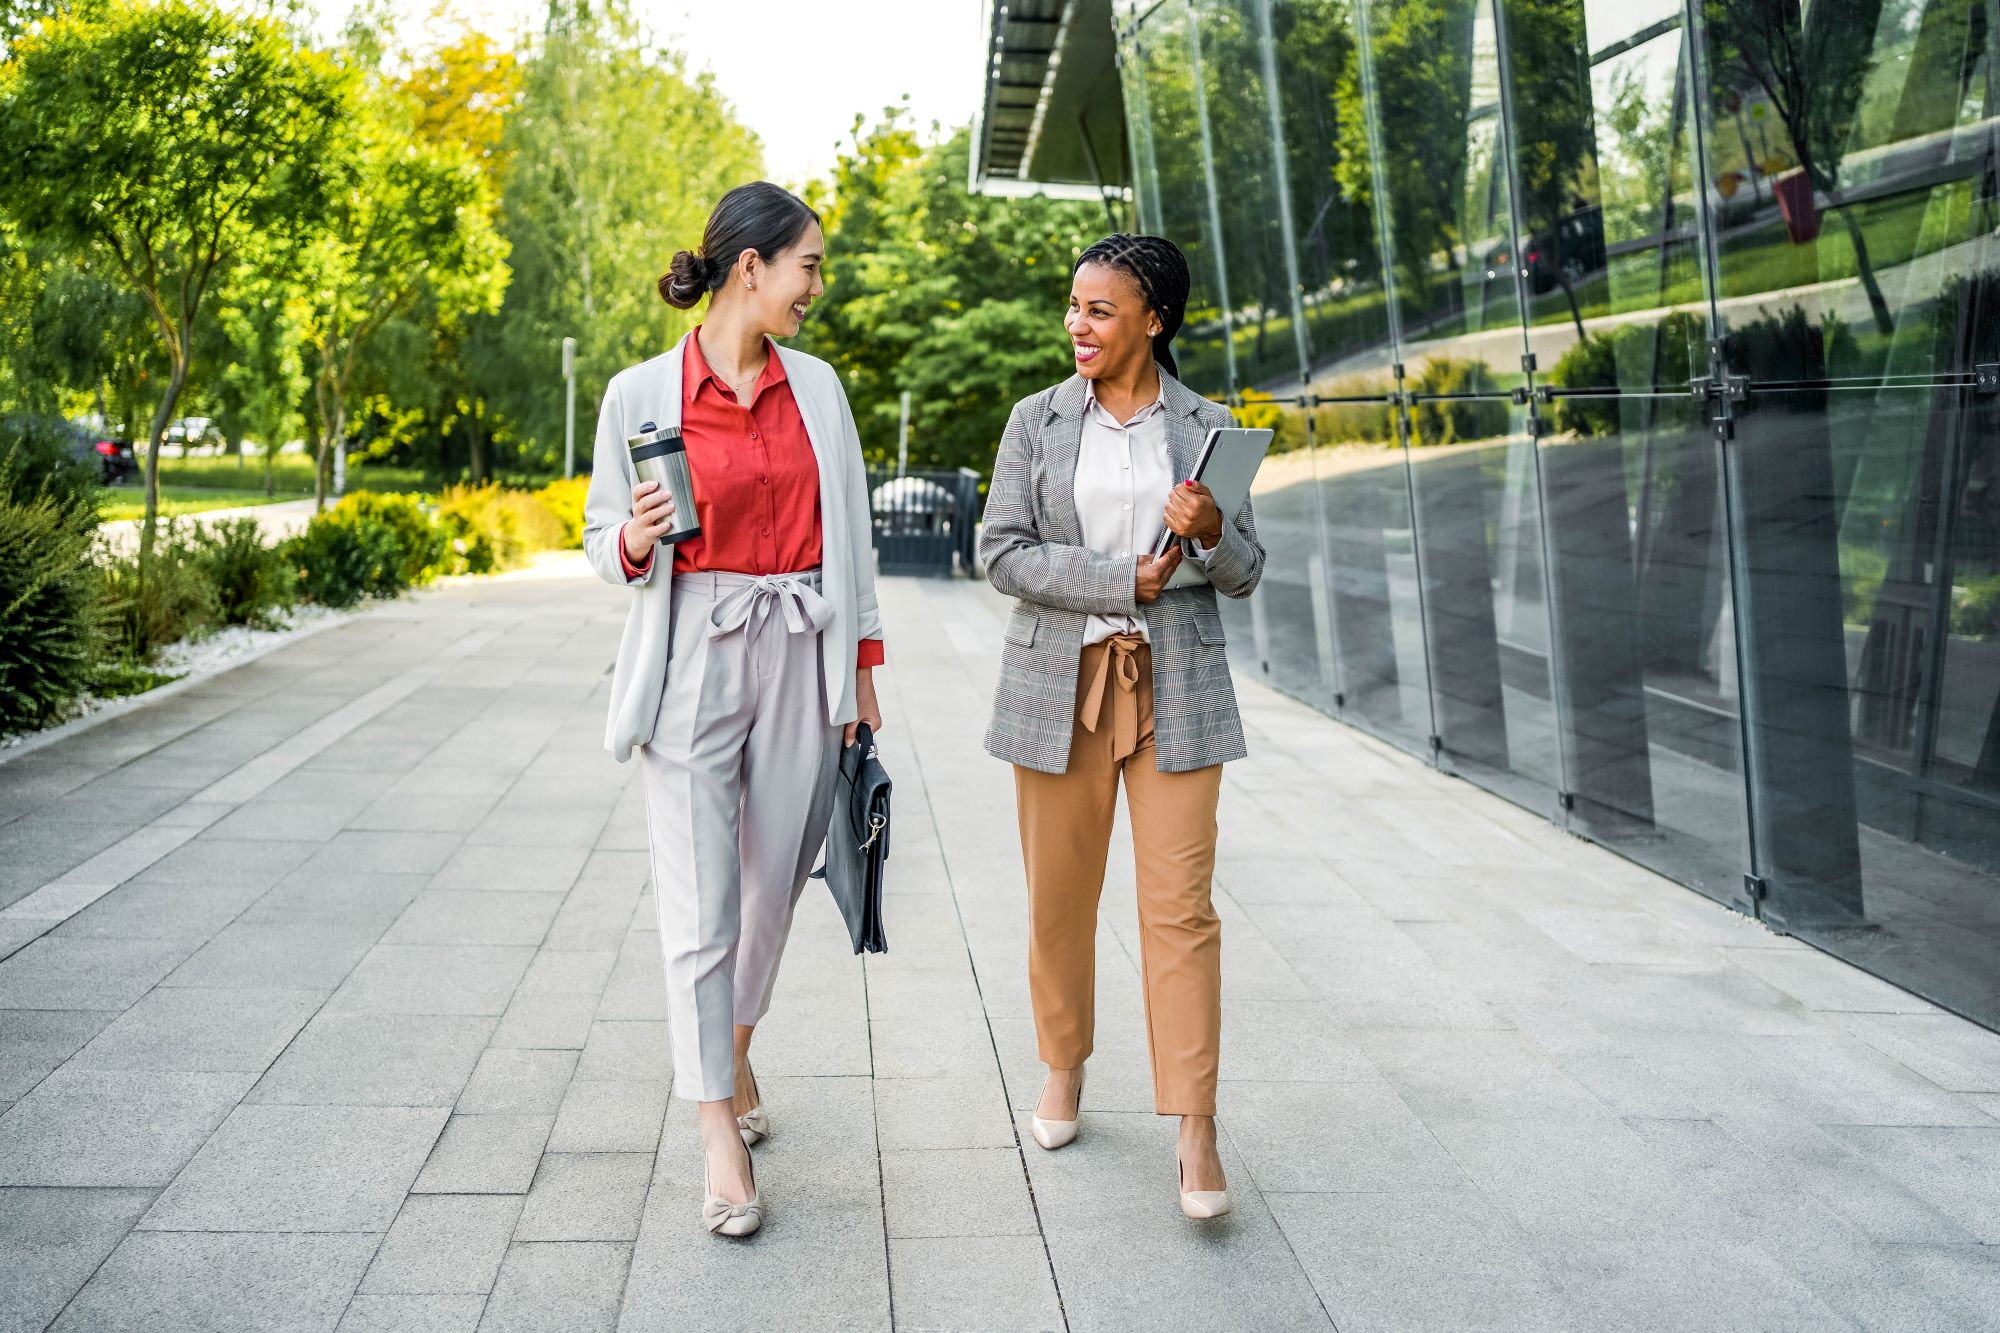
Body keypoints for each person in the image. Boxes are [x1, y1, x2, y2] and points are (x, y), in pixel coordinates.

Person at [580, 181, 885, 1238]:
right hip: (694, 653)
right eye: (806, 265)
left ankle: (734, 1046)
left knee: (771, 888)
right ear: (747, 266)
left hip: (802, 644)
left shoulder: (821, 389)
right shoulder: (638, 392)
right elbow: (602, 536)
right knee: (700, 900)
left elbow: (852, 532)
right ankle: (716, 1123)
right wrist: (634, 540)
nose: (815, 288)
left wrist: (863, 677)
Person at [978, 233, 1263, 1219]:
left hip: (1176, 686)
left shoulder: (1208, 427)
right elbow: (1000, 552)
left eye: (1099, 309)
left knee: (1179, 910)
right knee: (1057, 897)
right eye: (1073, 306)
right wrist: (1116, 578)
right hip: (1057, 686)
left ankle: (1195, 1125)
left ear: (1153, 317)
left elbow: (1244, 571)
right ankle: (1061, 1064)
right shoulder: (1035, 421)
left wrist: (1214, 530)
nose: (1077, 325)